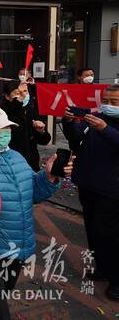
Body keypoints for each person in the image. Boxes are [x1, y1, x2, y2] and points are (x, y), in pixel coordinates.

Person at [0, 104, 67, 320]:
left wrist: (49, 177)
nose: (5, 133)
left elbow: (33, 193)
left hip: (18, 244)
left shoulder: (16, 156)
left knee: (0, 292)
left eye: (7, 128)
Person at [62, 84, 119, 299]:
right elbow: (76, 139)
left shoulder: (104, 123)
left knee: (110, 235)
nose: (109, 105)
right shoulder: (94, 117)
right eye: (107, 100)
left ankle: (117, 279)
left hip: (111, 190)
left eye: (115, 102)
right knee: (94, 232)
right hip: (87, 185)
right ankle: (103, 268)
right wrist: (68, 122)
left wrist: (105, 129)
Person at [0, 81, 51, 171]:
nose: (23, 95)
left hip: (31, 164)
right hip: (11, 163)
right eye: (18, 93)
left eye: (25, 92)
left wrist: (42, 131)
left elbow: (44, 141)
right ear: (7, 96)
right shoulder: (2, 112)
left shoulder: (30, 111)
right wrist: (19, 101)